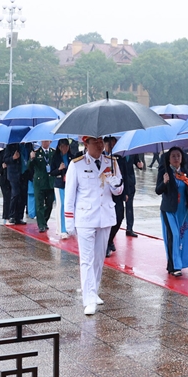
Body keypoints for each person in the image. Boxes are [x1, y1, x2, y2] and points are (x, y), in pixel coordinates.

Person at [64, 135, 124, 316]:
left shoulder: (112, 162)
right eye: (95, 142)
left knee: (98, 258)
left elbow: (119, 190)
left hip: (104, 215)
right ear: (86, 144)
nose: (99, 145)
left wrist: (115, 183)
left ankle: (93, 291)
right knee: (87, 259)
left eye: (101, 141)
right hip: (85, 217)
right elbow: (70, 195)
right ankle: (88, 299)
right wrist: (69, 220)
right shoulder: (77, 164)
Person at [155, 147, 188, 276]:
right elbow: (158, 190)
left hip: (182, 211)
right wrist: (164, 182)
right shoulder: (165, 171)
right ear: (169, 158)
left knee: (181, 236)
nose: (176, 158)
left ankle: (180, 262)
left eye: (178, 156)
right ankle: (173, 266)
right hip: (169, 210)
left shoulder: (185, 172)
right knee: (173, 235)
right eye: (173, 156)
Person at [104, 137, 127, 257]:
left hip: (118, 193)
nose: (111, 146)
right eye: (109, 144)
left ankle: (110, 238)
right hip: (106, 195)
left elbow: (125, 176)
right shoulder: (102, 158)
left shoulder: (119, 159)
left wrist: (126, 193)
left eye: (114, 144)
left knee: (119, 217)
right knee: (108, 220)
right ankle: (107, 242)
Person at [29, 140, 56, 233]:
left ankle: (44, 220)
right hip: (39, 182)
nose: (45, 143)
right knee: (39, 204)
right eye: (43, 141)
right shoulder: (36, 153)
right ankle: (41, 224)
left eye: (47, 141)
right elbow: (29, 167)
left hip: (50, 182)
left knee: (49, 204)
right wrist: (32, 159)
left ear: (50, 142)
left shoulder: (53, 152)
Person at [50, 139, 75, 239]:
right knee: (61, 205)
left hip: (68, 184)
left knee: (68, 205)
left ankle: (68, 227)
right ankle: (61, 229)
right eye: (63, 146)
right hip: (59, 184)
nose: (65, 148)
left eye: (67, 146)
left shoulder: (71, 157)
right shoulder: (55, 157)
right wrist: (59, 169)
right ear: (59, 147)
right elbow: (51, 172)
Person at [123, 154, 141, 237]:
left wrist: (139, 164)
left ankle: (129, 228)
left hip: (130, 181)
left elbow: (136, 160)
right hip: (119, 182)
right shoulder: (116, 151)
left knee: (129, 206)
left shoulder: (133, 151)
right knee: (117, 207)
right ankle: (113, 227)